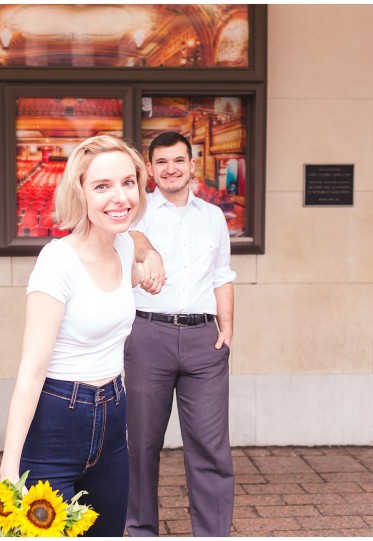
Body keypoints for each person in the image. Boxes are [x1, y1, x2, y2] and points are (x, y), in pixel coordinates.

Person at [0, 135, 163, 537]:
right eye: (102, 186)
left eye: (128, 182)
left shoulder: (123, 248)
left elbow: (138, 255)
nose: (119, 197)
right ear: (81, 193)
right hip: (57, 420)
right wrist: (9, 465)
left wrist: (151, 253)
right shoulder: (58, 262)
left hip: (113, 417)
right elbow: (31, 370)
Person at [126, 131, 236, 537]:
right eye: (161, 162)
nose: (170, 168)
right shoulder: (136, 214)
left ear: (192, 166)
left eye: (178, 160)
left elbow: (222, 273)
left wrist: (226, 327)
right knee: (141, 445)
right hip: (148, 336)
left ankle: (213, 533)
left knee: (210, 447)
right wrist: (146, 247)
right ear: (151, 170)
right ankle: (140, 531)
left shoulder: (213, 217)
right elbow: (129, 239)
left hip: (204, 340)